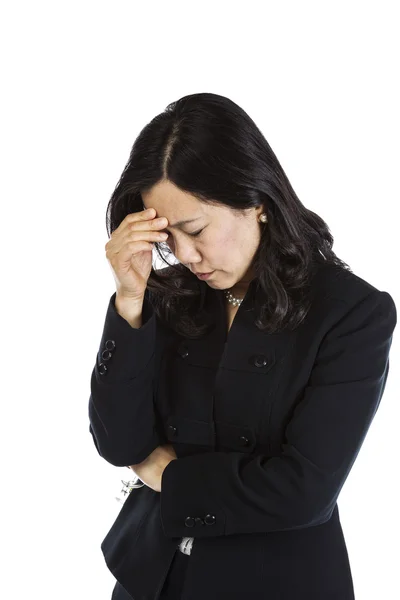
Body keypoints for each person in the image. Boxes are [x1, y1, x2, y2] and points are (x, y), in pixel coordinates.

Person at [88, 93, 397, 600]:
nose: (185, 256)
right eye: (168, 239)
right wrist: (128, 300)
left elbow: (303, 492)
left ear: (256, 201)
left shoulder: (350, 313)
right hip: (150, 577)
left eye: (195, 230)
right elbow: (119, 443)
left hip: (275, 583)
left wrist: (168, 474)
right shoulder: (164, 295)